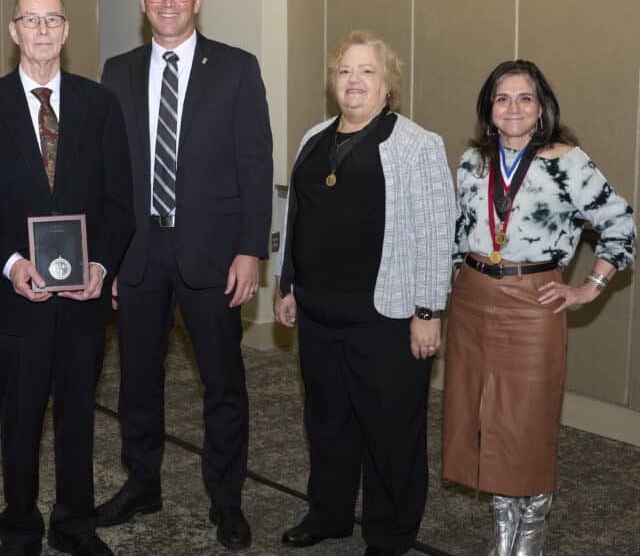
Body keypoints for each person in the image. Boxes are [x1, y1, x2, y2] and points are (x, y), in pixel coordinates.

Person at [96, 0, 273, 551]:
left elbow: (255, 163)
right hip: (138, 253)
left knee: (223, 384)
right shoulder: (116, 71)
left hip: (214, 255)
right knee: (136, 381)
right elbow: (108, 173)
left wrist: (252, 250)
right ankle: (141, 482)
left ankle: (226, 499)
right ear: (143, 1)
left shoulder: (236, 67)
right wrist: (108, 256)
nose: (167, 3)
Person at [0, 0, 134, 556]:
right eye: (29, 20)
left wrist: (102, 265)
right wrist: (10, 266)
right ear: (13, 31)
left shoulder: (99, 104)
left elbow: (119, 202)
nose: (41, 30)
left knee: (78, 416)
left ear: (66, 29)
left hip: (84, 297)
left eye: (51, 19)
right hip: (17, 298)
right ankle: (21, 527)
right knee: (20, 419)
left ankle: (75, 524)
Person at [441, 60, 636, 556]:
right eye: (502, 98)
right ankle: (503, 522)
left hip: (533, 304)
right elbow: (455, 234)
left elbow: (621, 224)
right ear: (489, 107)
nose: (513, 108)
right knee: (478, 414)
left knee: (525, 418)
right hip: (472, 296)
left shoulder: (565, 160)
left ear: (542, 106)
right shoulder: (472, 162)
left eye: (524, 98)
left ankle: (531, 525)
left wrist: (589, 286)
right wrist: (434, 300)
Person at [273, 31, 456, 556]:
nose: (354, 81)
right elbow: (298, 217)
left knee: (390, 431)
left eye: (367, 71)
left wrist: (428, 310)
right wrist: (287, 284)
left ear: (388, 84)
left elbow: (437, 233)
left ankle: (390, 534)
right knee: (327, 422)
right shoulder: (314, 137)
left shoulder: (417, 144)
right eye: (345, 71)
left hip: (388, 318)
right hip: (317, 312)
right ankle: (328, 514)